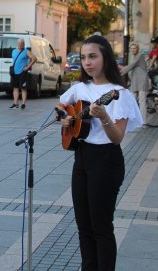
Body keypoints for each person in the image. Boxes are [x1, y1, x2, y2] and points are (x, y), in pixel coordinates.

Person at [56, 34, 142, 271]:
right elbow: (60, 106)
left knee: (101, 227)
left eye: (93, 56)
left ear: (106, 58)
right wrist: (65, 118)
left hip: (106, 161)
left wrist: (104, 116)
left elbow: (117, 138)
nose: (87, 62)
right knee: (83, 225)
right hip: (82, 157)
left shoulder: (119, 94)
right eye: (84, 57)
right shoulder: (80, 88)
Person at [120, 42, 149, 123]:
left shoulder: (139, 55)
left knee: (142, 101)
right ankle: (132, 120)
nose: (133, 50)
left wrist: (120, 73)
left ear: (138, 49)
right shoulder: (133, 57)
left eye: (134, 48)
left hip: (142, 81)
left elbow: (131, 66)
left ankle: (143, 121)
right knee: (132, 101)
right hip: (135, 81)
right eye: (131, 48)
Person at [9, 38, 37, 109]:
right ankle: (15, 104)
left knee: (23, 88)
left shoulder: (26, 51)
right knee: (15, 88)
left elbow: (34, 58)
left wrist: (28, 66)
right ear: (17, 44)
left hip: (22, 72)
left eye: (21, 43)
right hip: (14, 72)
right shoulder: (14, 51)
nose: (20, 45)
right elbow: (14, 60)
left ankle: (23, 104)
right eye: (19, 43)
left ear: (23, 44)